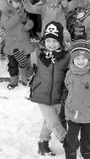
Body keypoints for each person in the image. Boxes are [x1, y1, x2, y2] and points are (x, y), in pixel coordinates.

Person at [27, 21, 69, 156]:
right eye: (48, 40)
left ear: (60, 41)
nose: (51, 44)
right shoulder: (37, 55)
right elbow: (27, 73)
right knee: (53, 121)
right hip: (41, 93)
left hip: (57, 94)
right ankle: (65, 139)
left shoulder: (65, 57)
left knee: (49, 121)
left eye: (55, 41)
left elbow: (68, 76)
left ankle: (43, 143)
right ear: (43, 40)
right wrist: (23, 65)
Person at [0, 0, 34, 89]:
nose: (18, 4)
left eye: (19, 2)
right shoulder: (6, 12)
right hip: (12, 44)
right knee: (13, 64)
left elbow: (29, 22)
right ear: (11, 1)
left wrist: (29, 25)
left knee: (24, 62)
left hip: (23, 42)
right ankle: (14, 80)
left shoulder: (24, 11)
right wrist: (17, 17)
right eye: (15, 2)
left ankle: (24, 78)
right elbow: (7, 26)